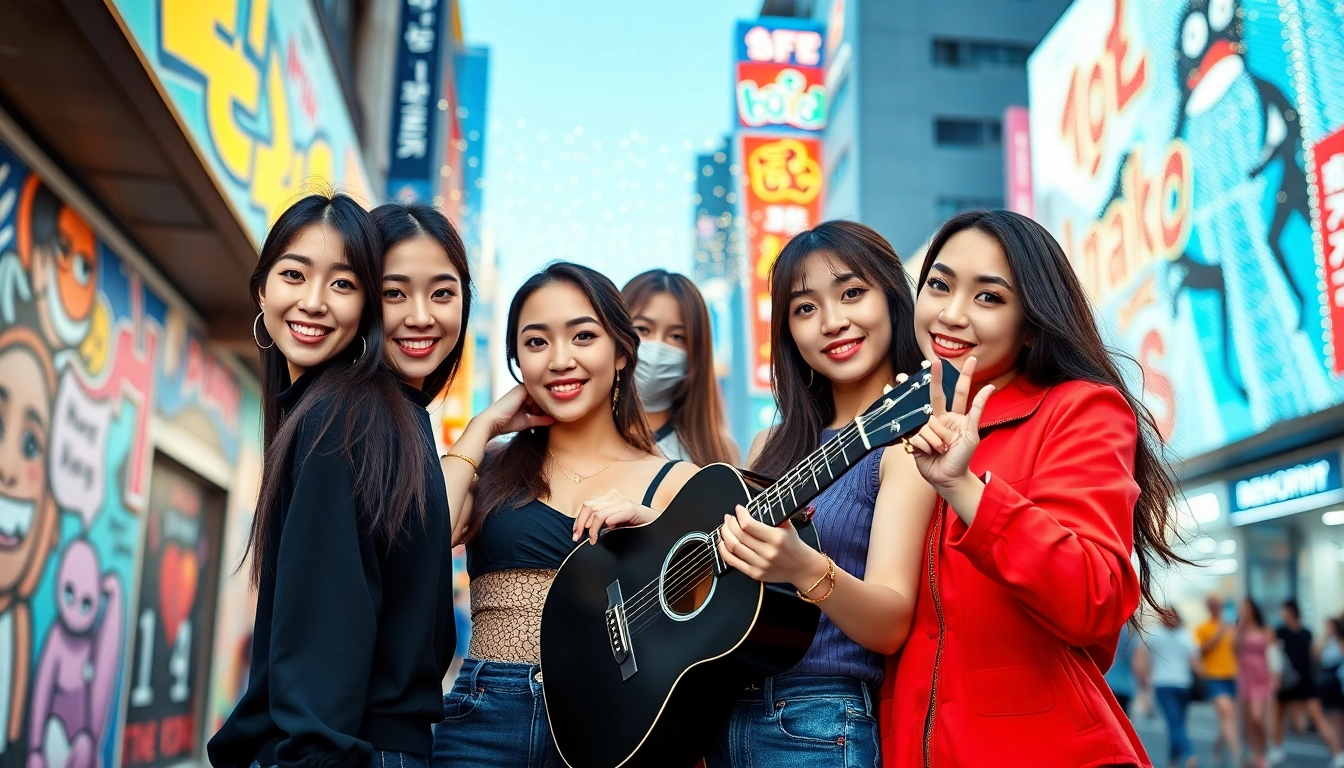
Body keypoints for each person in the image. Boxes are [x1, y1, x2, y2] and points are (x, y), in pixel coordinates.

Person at [880, 210, 1186, 766]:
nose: (951, 314)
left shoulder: (1079, 409)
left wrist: (965, 490)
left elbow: (1094, 598)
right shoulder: (898, 426)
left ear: (1031, 321)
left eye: (989, 298)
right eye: (939, 285)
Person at [208, 193, 453, 768]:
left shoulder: (341, 417)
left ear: (365, 306)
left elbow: (326, 645)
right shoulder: (380, 413)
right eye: (294, 275)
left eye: (343, 284)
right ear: (261, 288)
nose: (313, 302)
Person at [431, 262, 698, 767]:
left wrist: (649, 531)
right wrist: (482, 427)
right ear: (518, 361)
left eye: (582, 336)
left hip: (617, 727)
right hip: (483, 721)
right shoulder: (487, 465)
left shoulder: (678, 483)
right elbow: (426, 540)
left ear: (621, 352)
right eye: (536, 342)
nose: (559, 359)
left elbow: (702, 622)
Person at [701, 221, 935, 768]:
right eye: (805, 308)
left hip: (818, 722)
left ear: (892, 299)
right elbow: (726, 574)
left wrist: (804, 568)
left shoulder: (906, 447)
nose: (833, 322)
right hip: (719, 714)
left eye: (853, 293)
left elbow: (890, 622)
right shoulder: (769, 444)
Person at [620, 269, 739, 465]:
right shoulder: (577, 434)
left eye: (676, 336)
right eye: (642, 329)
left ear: (696, 351)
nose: (658, 348)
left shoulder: (718, 451)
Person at [1268, 600, 1344, 767]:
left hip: (1303, 682)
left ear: (1291, 612)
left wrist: (1327, 637)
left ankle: (1338, 754)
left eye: (1284, 611)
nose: (1282, 614)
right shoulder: (1280, 632)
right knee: (1279, 716)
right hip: (1287, 681)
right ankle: (1277, 749)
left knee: (1316, 717)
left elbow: (1314, 656)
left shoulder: (1305, 633)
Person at [1135, 608, 1201, 768]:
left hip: (1167, 684)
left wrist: (1142, 681)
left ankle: (1185, 756)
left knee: (1175, 724)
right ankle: (1179, 759)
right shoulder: (1185, 635)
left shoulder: (1155, 634)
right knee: (1177, 724)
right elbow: (1195, 663)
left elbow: (1141, 659)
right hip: (1178, 684)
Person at [1196, 593, 1242, 767]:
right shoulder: (1203, 628)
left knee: (1228, 718)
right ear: (1209, 607)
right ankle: (1236, 755)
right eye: (1213, 605)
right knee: (1227, 712)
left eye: (1219, 605)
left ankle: (1217, 747)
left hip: (1232, 675)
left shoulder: (1231, 627)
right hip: (1213, 676)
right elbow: (1203, 650)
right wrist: (1219, 633)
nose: (1217, 608)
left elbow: (1236, 651)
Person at [1238, 598, 1275, 768]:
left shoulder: (1265, 630)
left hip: (1262, 677)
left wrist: (1275, 678)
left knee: (1257, 717)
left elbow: (1273, 654)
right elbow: (1234, 650)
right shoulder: (1240, 630)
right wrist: (1240, 628)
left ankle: (1264, 747)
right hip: (1246, 677)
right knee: (1249, 720)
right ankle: (1256, 754)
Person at [1320, 617, 1344, 753]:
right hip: (1329, 684)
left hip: (1339, 682)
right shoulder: (1326, 642)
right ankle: (1339, 751)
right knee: (1334, 718)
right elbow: (1316, 655)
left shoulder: (1340, 641)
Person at [1108, 620, 1140, 715]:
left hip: (1109, 681)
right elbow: (1137, 664)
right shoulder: (1134, 636)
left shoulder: (1112, 631)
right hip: (1127, 684)